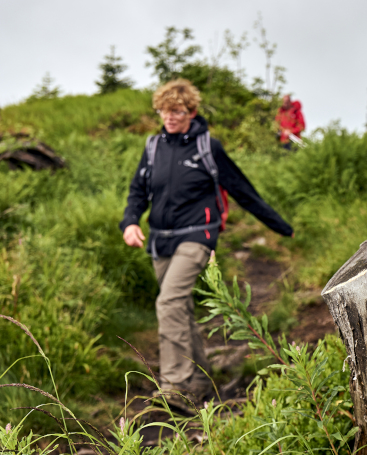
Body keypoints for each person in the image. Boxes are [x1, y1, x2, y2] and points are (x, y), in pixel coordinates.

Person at [120, 79, 293, 403]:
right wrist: (130, 221)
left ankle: (175, 386)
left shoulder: (207, 147)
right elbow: (138, 191)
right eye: (163, 110)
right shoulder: (153, 147)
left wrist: (282, 228)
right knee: (179, 308)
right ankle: (200, 381)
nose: (169, 117)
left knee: (168, 302)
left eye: (177, 111)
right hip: (160, 240)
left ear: (191, 111)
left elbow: (243, 190)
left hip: (197, 236)